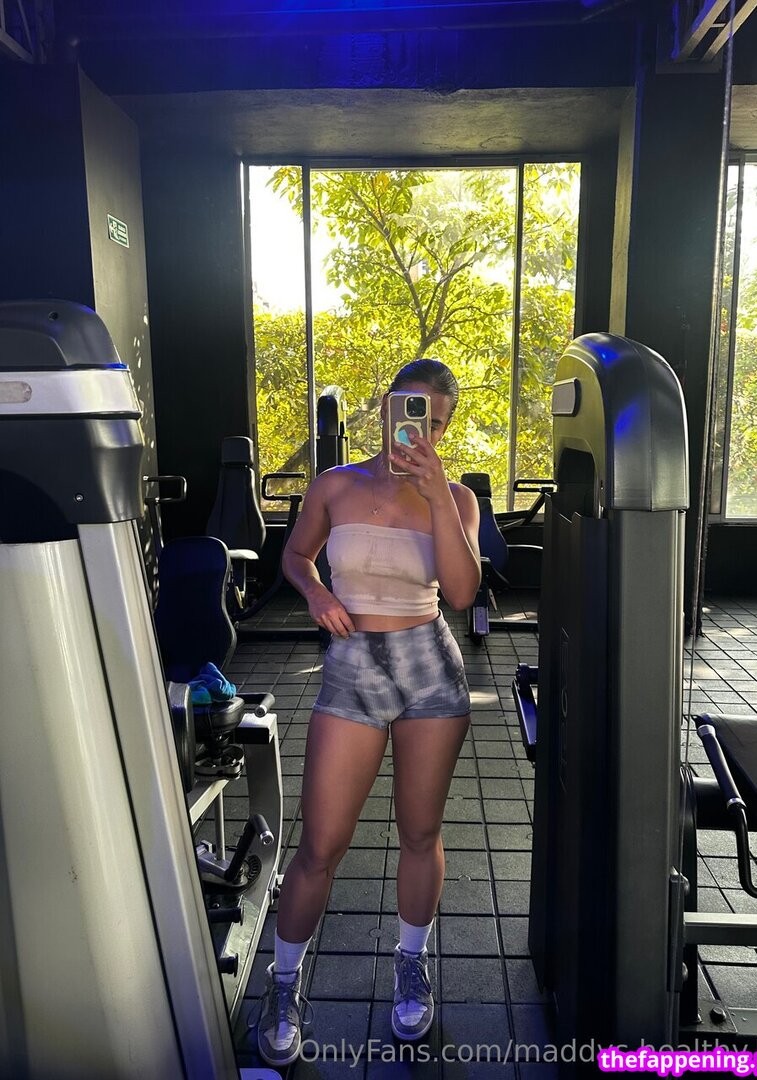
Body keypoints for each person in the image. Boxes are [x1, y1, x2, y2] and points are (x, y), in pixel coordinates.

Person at [252, 358, 481, 1067]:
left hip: (428, 667)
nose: (421, 429)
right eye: (411, 410)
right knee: (321, 844)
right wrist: (316, 593)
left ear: (444, 429)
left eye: (435, 421)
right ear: (387, 407)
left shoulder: (457, 496)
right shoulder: (335, 484)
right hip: (352, 666)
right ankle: (283, 983)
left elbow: (463, 593)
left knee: (421, 832)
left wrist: (439, 497)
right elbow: (296, 556)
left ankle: (410, 964)